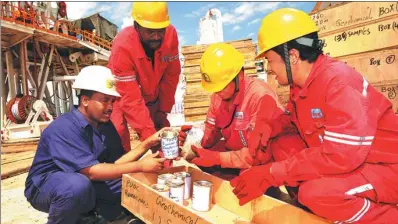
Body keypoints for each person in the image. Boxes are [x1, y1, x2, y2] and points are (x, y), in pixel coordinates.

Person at [230, 8, 398, 223]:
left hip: (385, 168)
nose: (270, 69)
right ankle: (314, 210)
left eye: (270, 60)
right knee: (280, 145)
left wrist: (271, 173)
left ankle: (385, 217)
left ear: (292, 56)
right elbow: (295, 120)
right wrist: (270, 127)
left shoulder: (339, 83)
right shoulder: (301, 85)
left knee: (316, 193)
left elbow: (339, 156)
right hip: (352, 160)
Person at [24, 66, 168, 224]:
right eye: (104, 100)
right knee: (77, 187)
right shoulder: (64, 127)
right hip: (46, 186)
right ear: (85, 100)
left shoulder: (104, 125)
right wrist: (141, 166)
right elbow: (91, 172)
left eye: (112, 101)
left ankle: (95, 218)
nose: (110, 107)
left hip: (84, 178)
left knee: (129, 182)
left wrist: (147, 143)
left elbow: (116, 165)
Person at [187, 43, 306, 184]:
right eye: (215, 88)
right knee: (199, 157)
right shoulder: (217, 96)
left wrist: (218, 159)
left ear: (240, 76)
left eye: (222, 86)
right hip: (236, 154)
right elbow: (210, 134)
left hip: (262, 158)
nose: (218, 92)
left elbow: (257, 155)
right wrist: (193, 137)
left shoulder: (260, 97)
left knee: (248, 176)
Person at [107, 2, 181, 152]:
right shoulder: (123, 46)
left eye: (160, 31)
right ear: (136, 26)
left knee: (160, 127)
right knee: (117, 133)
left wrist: (162, 112)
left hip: (150, 94)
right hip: (120, 94)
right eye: (150, 32)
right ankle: (122, 171)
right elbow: (130, 98)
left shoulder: (170, 35)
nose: (156, 37)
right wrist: (149, 137)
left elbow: (171, 77)